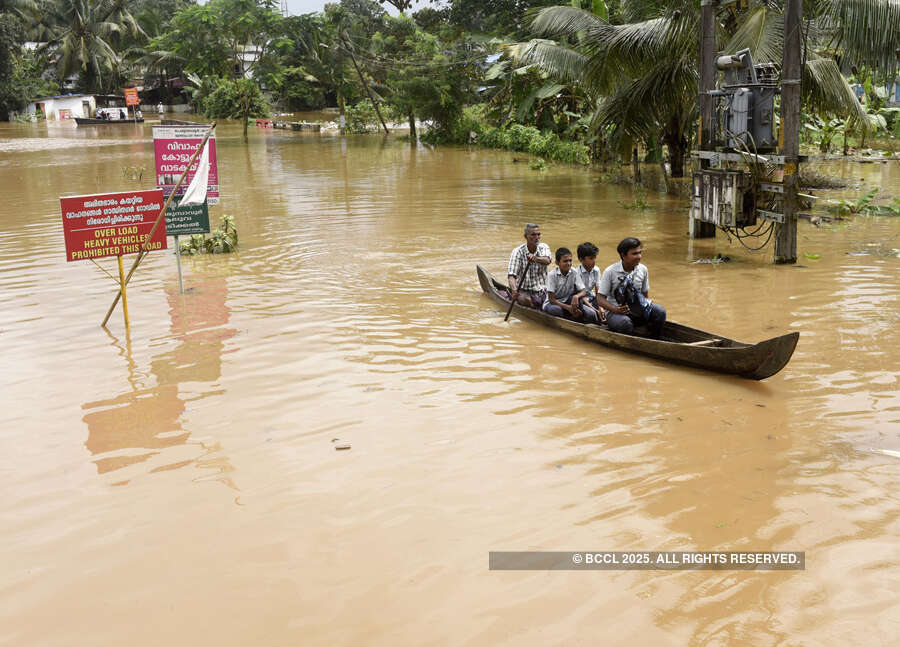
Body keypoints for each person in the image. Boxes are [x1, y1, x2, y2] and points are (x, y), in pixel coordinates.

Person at [597, 237, 667, 338]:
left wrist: (645, 311)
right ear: (623, 255)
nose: (639, 256)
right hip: (615, 313)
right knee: (625, 323)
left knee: (660, 312)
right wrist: (615, 309)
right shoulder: (610, 272)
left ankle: (654, 339)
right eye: (634, 254)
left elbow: (645, 295)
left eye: (640, 252)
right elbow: (600, 299)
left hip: (637, 310)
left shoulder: (643, 269)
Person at [543, 247, 600, 323]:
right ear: (557, 262)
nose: (568, 263)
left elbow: (583, 291)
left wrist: (576, 296)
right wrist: (568, 307)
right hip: (554, 303)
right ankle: (573, 319)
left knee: (578, 301)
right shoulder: (552, 275)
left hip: (568, 301)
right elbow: (552, 300)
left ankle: (575, 316)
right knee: (556, 310)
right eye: (565, 261)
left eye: (570, 260)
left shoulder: (573, 272)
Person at [507, 223, 552, 308]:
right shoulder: (518, 252)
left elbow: (547, 260)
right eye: (533, 235)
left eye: (538, 234)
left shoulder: (544, 247)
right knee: (526, 301)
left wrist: (536, 259)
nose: (537, 237)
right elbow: (511, 275)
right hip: (524, 291)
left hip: (543, 290)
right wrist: (514, 290)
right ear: (526, 236)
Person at [575, 242, 605, 322]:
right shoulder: (576, 273)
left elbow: (598, 291)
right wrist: (596, 310)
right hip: (582, 301)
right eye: (591, 258)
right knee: (592, 314)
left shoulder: (596, 270)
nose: (594, 261)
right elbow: (581, 296)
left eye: (595, 257)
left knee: (607, 308)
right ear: (581, 259)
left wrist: (601, 307)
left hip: (592, 298)